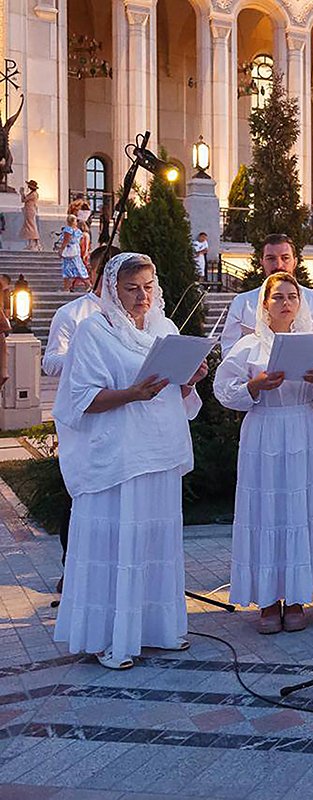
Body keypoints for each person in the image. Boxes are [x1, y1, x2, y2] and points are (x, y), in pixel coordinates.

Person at [52, 253, 207, 669]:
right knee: (117, 543)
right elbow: (80, 398)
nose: (142, 296)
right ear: (111, 289)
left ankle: (157, 628)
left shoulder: (166, 328)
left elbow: (177, 390)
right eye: (131, 288)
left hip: (159, 449)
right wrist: (131, 394)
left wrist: (190, 378)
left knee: (154, 542)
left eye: (148, 286)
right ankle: (108, 638)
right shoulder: (92, 331)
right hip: (118, 457)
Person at [214, 271, 313, 634]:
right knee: (267, 510)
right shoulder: (247, 347)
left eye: (292, 297)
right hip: (265, 429)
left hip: (304, 427)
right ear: (265, 304)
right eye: (278, 297)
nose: (286, 303)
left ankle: (298, 597)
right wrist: (254, 385)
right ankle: (269, 600)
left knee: (300, 509)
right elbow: (224, 391)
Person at [43, 245, 120, 583]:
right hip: (83, 417)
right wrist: (83, 354)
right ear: (91, 273)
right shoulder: (72, 314)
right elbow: (50, 363)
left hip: (121, 413)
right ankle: (71, 567)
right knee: (81, 491)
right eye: (104, 271)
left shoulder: (129, 315)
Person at [218, 233, 313, 355]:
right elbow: (229, 349)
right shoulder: (242, 302)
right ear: (262, 262)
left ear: (295, 262)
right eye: (271, 258)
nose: (278, 265)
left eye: (285, 258)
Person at [57, 214, 88, 292]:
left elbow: (66, 241)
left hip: (69, 251)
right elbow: (80, 241)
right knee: (79, 268)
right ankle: (88, 285)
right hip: (76, 250)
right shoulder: (78, 230)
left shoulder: (68, 230)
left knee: (67, 269)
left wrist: (61, 250)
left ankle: (66, 288)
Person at [19, 180, 39, 250]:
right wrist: (22, 194)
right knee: (28, 225)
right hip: (28, 210)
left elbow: (24, 199)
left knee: (31, 226)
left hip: (30, 210)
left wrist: (22, 193)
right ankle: (30, 243)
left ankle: (34, 243)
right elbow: (23, 200)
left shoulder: (33, 194)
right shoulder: (31, 193)